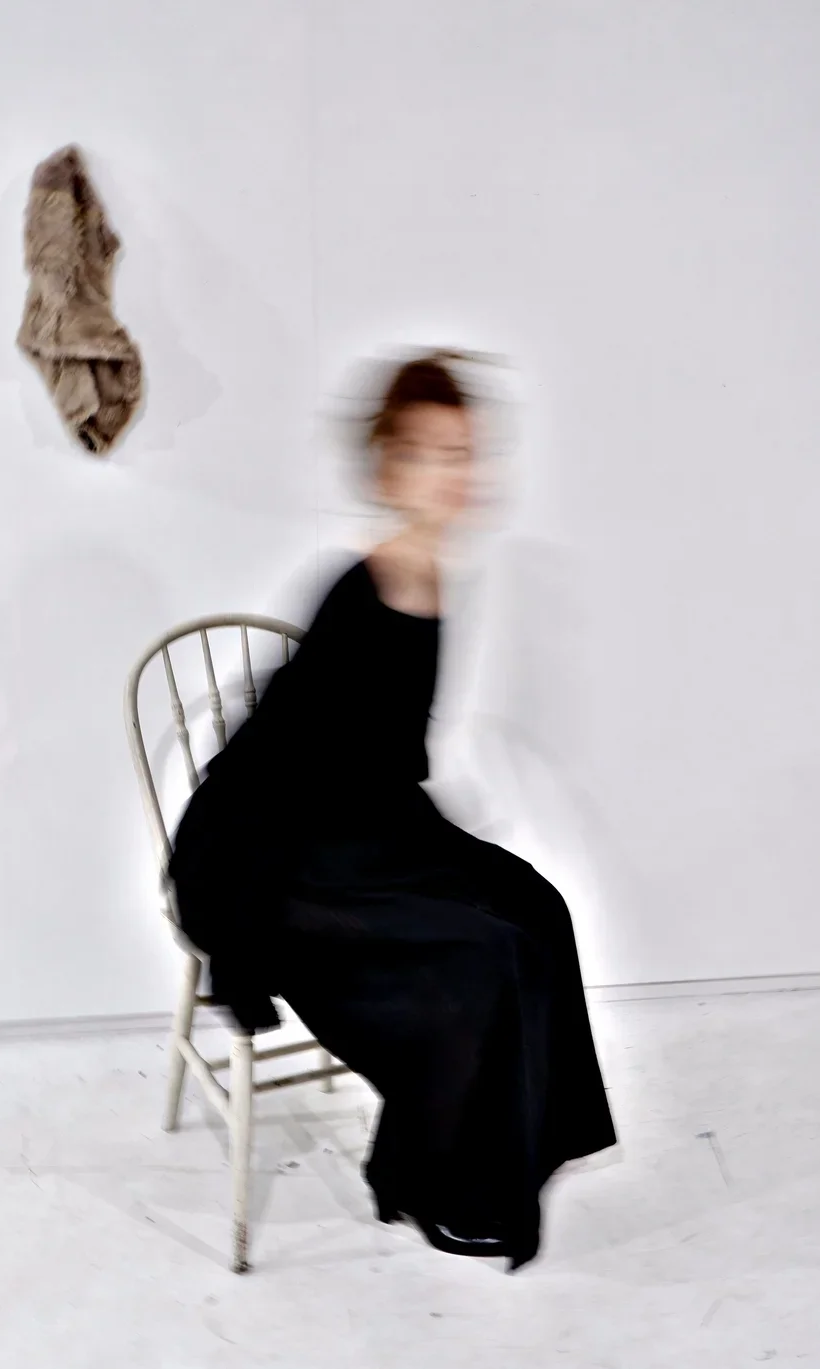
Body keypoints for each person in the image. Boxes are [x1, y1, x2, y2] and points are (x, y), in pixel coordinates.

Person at [168, 351, 617, 1271]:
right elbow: (290, 768)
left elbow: (386, 755)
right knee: (478, 950)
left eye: (464, 453)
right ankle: (436, 1173)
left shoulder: (436, 576)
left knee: (536, 904)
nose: (454, 474)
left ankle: (514, 1149)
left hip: (364, 817)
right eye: (429, 454)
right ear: (388, 467)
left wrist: (426, 847)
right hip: (274, 844)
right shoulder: (361, 588)